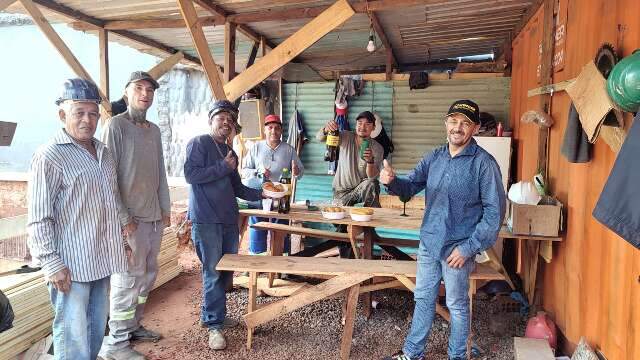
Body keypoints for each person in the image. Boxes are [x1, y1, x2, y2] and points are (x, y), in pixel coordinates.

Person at [381, 100, 506, 360]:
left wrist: (469, 248)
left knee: (457, 306)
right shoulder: (434, 157)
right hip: (429, 244)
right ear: (445, 124)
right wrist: (392, 182)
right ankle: (413, 353)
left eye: (465, 123)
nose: (457, 127)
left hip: (458, 249)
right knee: (423, 299)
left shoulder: (484, 164)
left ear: (475, 128)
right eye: (453, 121)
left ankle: (457, 356)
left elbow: (495, 213)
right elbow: (409, 189)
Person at [27, 78, 128, 360]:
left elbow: (107, 204)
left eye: (93, 113)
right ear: (62, 115)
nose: (88, 119)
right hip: (70, 267)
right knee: (72, 338)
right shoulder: (49, 156)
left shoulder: (103, 153)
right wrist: (51, 262)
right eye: (79, 112)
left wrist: (121, 242)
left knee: (96, 331)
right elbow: (38, 217)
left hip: (101, 260)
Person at [99, 71, 170, 360]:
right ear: (127, 92)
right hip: (130, 222)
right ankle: (115, 345)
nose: (145, 93)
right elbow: (107, 177)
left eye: (150, 90)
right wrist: (122, 217)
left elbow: (160, 173)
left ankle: (132, 326)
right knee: (127, 280)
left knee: (147, 277)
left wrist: (165, 209)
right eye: (139, 88)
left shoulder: (153, 130)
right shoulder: (115, 126)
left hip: (153, 219)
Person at [184, 100, 264, 350]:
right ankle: (214, 325)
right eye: (221, 117)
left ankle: (213, 315)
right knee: (213, 272)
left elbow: (237, 188)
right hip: (206, 220)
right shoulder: (199, 143)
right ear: (211, 120)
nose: (226, 122)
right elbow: (191, 175)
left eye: (230, 119)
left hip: (229, 220)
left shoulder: (231, 153)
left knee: (227, 272)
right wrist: (222, 167)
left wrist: (264, 194)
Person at [316, 110, 384, 257]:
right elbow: (319, 137)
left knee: (372, 184)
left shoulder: (377, 148)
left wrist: (370, 161)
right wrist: (326, 129)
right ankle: (347, 258)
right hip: (341, 192)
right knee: (341, 226)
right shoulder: (346, 136)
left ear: (373, 128)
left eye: (367, 124)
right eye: (360, 123)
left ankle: (369, 227)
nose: (362, 127)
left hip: (359, 189)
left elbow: (372, 176)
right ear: (356, 125)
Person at [241, 114, 304, 254]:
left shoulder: (289, 150)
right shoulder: (256, 148)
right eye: (270, 128)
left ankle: (282, 265)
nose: (273, 131)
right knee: (257, 228)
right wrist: (258, 172)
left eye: (277, 128)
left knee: (281, 230)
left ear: (281, 131)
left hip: (281, 198)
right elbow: (244, 171)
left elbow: (300, 173)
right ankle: (256, 266)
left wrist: (296, 171)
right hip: (259, 196)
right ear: (265, 130)